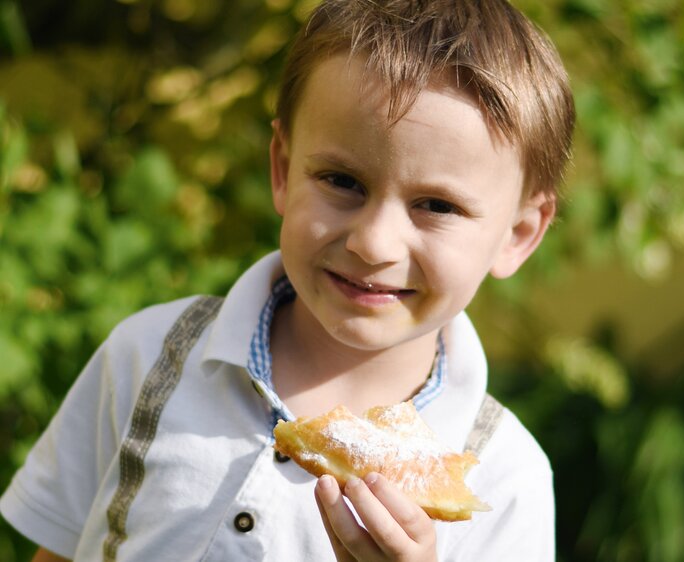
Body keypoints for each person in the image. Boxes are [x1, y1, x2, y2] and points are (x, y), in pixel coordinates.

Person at [1, 0, 575, 560]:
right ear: (281, 169)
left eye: (436, 205)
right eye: (342, 180)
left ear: (518, 234)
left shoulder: (502, 479)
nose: (373, 243)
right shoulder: (148, 355)